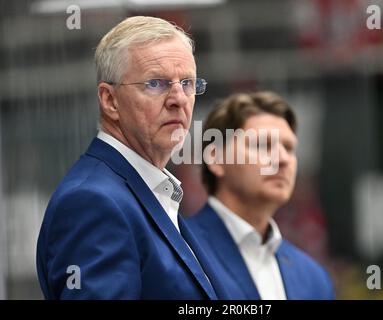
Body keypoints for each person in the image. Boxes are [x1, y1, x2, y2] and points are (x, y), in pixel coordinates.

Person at [36, 16, 227, 299]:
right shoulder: (92, 203)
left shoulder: (148, 191)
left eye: (187, 82)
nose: (179, 99)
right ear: (110, 100)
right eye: (156, 84)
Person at [188, 91, 335, 299]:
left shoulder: (314, 279)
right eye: (263, 145)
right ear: (216, 158)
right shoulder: (178, 251)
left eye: (289, 148)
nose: (283, 159)